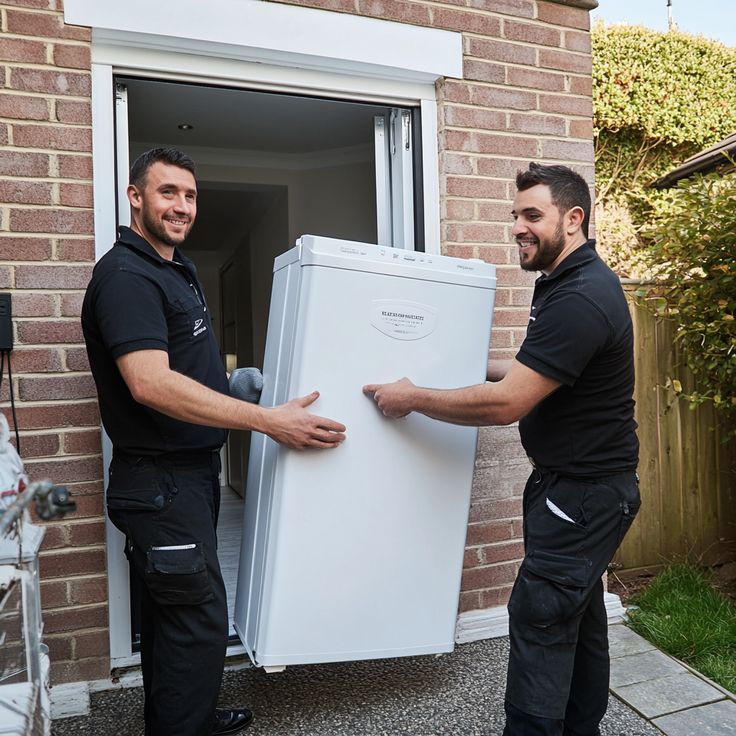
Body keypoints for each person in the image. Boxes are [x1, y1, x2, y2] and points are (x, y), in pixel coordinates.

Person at [364, 162, 639, 736]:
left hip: (582, 496)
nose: (518, 226)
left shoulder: (581, 297)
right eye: (515, 215)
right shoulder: (568, 282)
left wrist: (412, 398)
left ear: (574, 218)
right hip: (582, 490)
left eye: (532, 215)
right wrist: (459, 366)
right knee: (576, 617)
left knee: (540, 618)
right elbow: (535, 371)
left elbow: (508, 403)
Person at [82, 147, 346, 736]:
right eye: (167, 192)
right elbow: (149, 383)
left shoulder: (178, 270)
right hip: (160, 483)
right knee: (199, 616)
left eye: (190, 195)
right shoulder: (127, 277)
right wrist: (269, 421)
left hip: (185, 479)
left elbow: (180, 370)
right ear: (135, 197)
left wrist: (235, 386)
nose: (181, 206)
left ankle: (186, 715)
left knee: (173, 617)